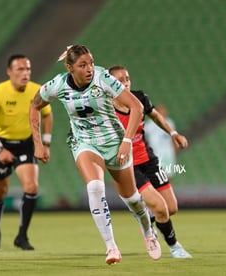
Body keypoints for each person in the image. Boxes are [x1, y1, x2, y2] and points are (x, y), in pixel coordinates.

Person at [29, 45, 160, 265]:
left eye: (91, 62)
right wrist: (38, 143)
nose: (89, 68)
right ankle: (111, 248)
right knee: (95, 187)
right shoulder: (58, 84)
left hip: (115, 142)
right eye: (82, 65)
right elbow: (34, 106)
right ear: (70, 68)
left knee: (132, 199)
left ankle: (148, 232)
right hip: (85, 143)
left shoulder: (103, 78)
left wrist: (126, 141)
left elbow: (136, 107)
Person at [109, 65, 192, 258]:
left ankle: (144, 216)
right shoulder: (105, 108)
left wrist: (173, 133)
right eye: (119, 80)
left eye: (127, 78)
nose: (125, 83)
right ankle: (174, 247)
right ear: (110, 83)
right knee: (160, 208)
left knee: (171, 208)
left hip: (149, 160)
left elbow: (155, 116)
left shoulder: (139, 98)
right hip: (128, 166)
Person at [0, 54, 53, 250]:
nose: (25, 73)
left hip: (25, 144)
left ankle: (22, 236)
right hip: (1, 143)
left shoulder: (37, 91)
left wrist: (45, 143)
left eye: (28, 69)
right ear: (9, 72)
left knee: (31, 187)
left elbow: (47, 115)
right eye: (20, 69)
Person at [144, 104, 177, 179]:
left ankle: (167, 190)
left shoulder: (170, 123)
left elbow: (173, 138)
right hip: (156, 154)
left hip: (168, 153)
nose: (163, 113)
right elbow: (143, 135)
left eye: (164, 111)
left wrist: (174, 150)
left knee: (169, 175)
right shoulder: (150, 124)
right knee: (156, 175)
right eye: (161, 111)